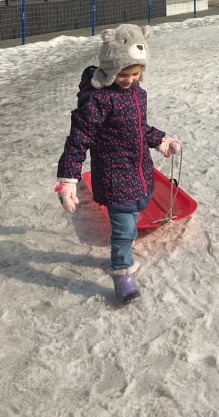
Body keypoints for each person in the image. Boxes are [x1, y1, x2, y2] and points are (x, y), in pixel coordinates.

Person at [54, 24, 180, 304]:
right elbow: (78, 138)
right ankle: (122, 272)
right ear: (110, 69)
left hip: (139, 173)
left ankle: (122, 250)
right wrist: (68, 179)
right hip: (113, 177)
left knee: (133, 219)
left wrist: (161, 140)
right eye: (123, 74)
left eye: (135, 74)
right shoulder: (98, 100)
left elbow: (138, 127)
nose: (129, 79)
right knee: (124, 231)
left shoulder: (137, 93)